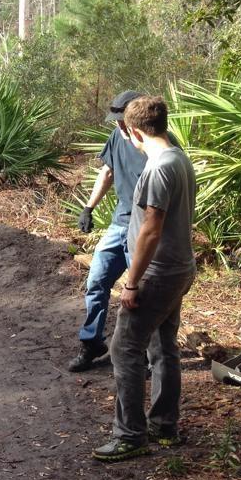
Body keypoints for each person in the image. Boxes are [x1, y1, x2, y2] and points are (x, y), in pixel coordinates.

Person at [92, 96, 196, 462]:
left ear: (131, 129)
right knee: (163, 345)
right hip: (180, 267)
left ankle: (129, 435)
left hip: (158, 273)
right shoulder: (179, 158)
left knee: (124, 348)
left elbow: (151, 229)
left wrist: (132, 282)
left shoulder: (157, 169)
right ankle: (164, 426)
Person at [68, 90, 147, 372]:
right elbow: (107, 172)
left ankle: (146, 354)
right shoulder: (117, 137)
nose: (118, 126)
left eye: (122, 120)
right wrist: (89, 207)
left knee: (140, 292)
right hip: (119, 223)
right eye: (116, 121)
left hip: (145, 228)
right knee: (97, 280)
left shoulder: (157, 146)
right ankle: (92, 343)